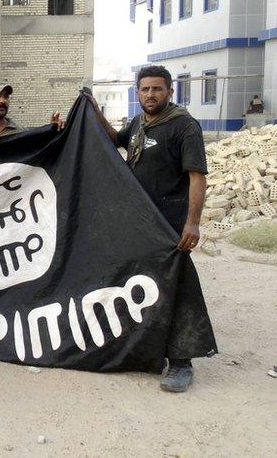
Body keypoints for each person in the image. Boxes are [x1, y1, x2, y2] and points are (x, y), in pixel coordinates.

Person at [88, 64, 209, 393]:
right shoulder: (139, 123)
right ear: (137, 93)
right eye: (144, 89)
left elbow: (197, 176)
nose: (150, 94)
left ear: (170, 91)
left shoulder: (184, 127)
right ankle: (142, 350)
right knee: (139, 284)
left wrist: (193, 223)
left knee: (176, 286)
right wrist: (93, 109)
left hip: (169, 223)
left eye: (157, 89)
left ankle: (182, 361)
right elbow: (115, 141)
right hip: (139, 221)